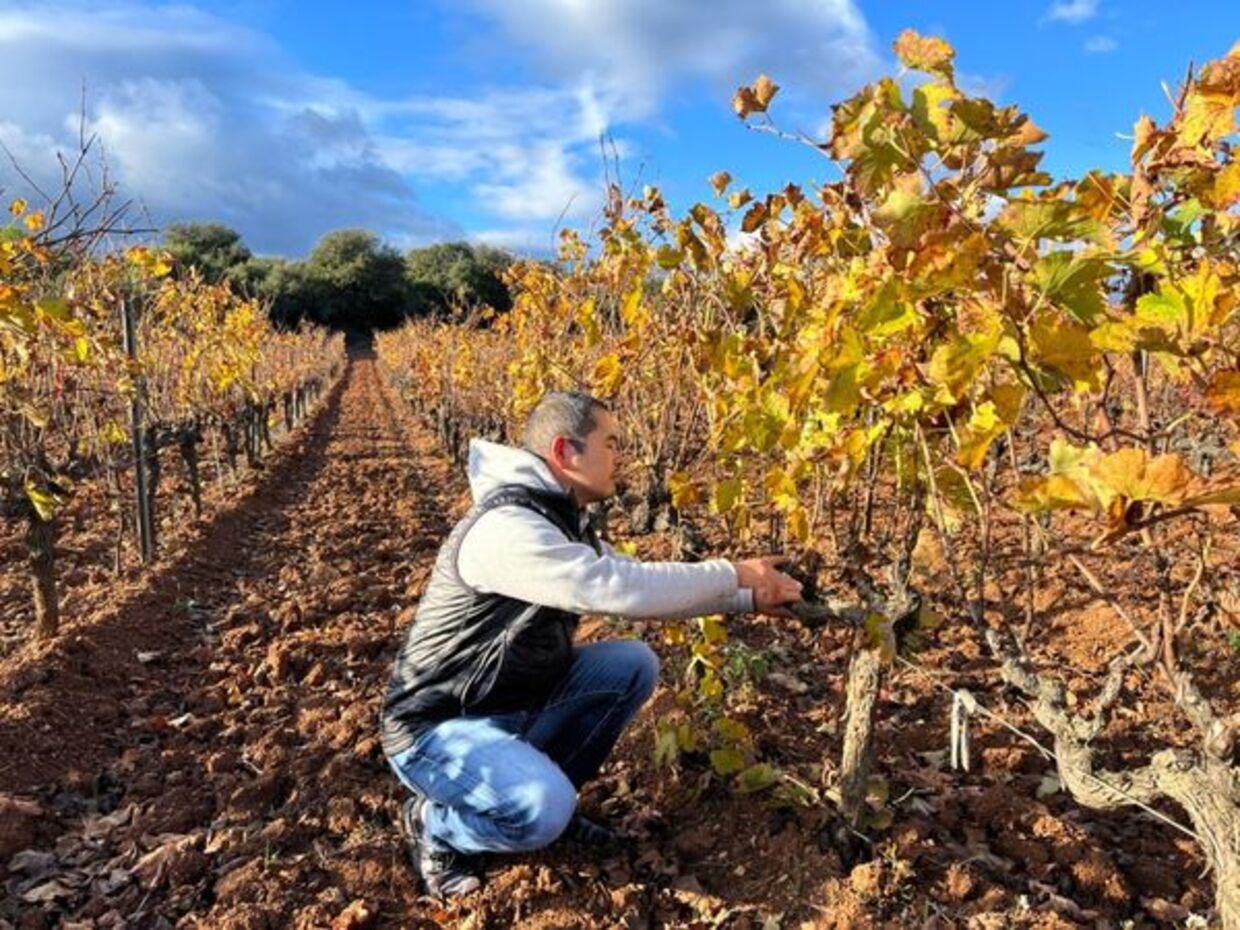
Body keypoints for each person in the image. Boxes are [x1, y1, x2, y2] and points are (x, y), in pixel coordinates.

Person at [379, 390, 805, 898]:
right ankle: (437, 825)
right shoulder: (507, 529)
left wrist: (745, 596)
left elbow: (631, 572)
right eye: (611, 443)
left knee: (630, 663)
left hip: (507, 705)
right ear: (564, 452)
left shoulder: (558, 520)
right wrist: (733, 571)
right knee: (540, 806)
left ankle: (549, 808)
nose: (621, 456)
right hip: (439, 728)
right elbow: (614, 588)